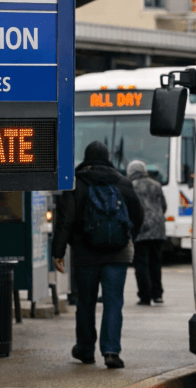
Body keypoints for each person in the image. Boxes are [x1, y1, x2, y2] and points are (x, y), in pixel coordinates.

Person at [52, 141, 144, 369]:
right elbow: (138, 214)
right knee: (113, 303)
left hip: (85, 254)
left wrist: (58, 251)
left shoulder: (76, 182)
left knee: (86, 303)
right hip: (117, 254)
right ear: (107, 157)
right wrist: (127, 235)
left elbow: (66, 219)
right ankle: (111, 351)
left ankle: (85, 349)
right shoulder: (122, 182)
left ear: (86, 157)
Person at [127, 160, 167, 305]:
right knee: (155, 263)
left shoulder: (131, 186)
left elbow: (130, 208)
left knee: (141, 264)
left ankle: (145, 295)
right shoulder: (156, 185)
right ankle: (157, 294)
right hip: (158, 230)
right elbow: (163, 205)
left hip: (141, 230)